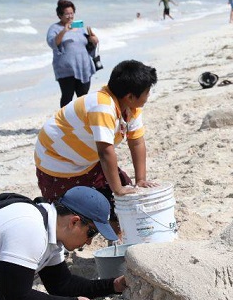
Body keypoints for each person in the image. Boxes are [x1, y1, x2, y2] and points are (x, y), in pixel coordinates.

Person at [34, 59, 160, 220]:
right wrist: (118, 189)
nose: (148, 96)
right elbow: (105, 152)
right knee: (69, 216)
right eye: (147, 92)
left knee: (123, 202)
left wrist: (141, 179)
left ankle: (118, 238)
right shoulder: (102, 106)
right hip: (56, 161)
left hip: (88, 161)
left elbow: (136, 142)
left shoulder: (131, 108)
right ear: (130, 96)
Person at [47, 0, 99, 108]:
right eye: (67, 14)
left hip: (84, 67)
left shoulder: (79, 27)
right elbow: (52, 43)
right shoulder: (54, 28)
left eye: (72, 13)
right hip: (66, 70)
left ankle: (82, 122)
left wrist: (93, 40)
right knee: (67, 97)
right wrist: (64, 30)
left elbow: (87, 45)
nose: (70, 16)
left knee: (83, 98)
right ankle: (65, 123)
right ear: (60, 15)